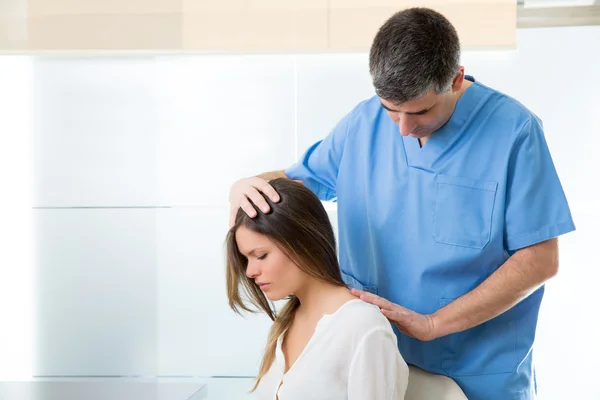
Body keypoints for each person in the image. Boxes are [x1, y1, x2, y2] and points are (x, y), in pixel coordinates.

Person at [228, 7, 575, 400]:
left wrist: (433, 324)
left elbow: (540, 259)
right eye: (391, 110)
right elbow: (292, 187)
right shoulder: (362, 125)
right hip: (375, 358)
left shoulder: (515, 132)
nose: (404, 129)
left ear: (456, 79)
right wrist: (246, 183)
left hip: (480, 375)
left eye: (421, 111)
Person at [226, 178, 409, 399]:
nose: (250, 271)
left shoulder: (363, 326)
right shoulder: (287, 323)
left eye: (261, 256)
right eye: (247, 259)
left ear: (303, 243)